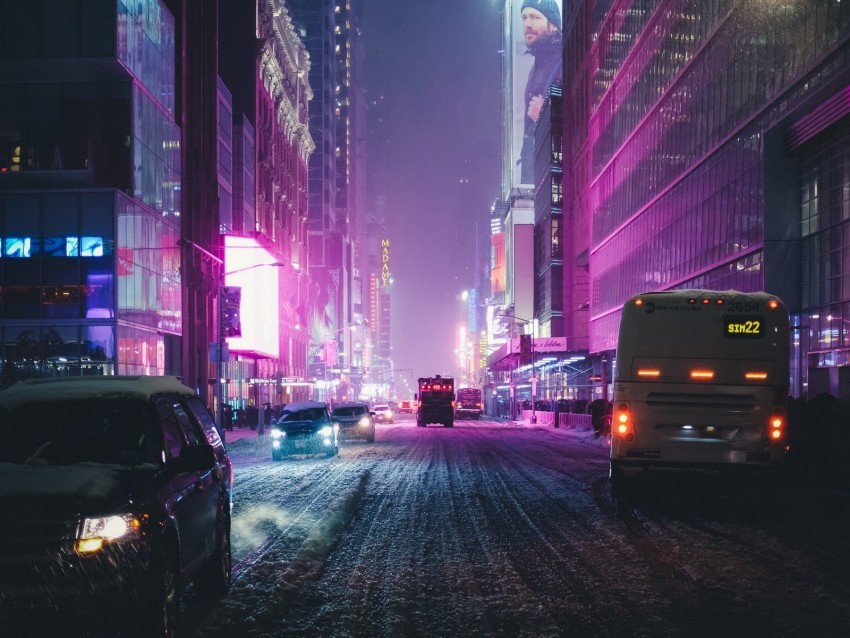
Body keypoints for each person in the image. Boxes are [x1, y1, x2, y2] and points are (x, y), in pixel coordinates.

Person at [519, 0, 562, 184]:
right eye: (524, 17)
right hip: (537, 173)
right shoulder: (537, 65)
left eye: (535, 17)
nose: (527, 24)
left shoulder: (563, 61)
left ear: (553, 26)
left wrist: (543, 117)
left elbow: (579, 118)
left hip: (553, 177)